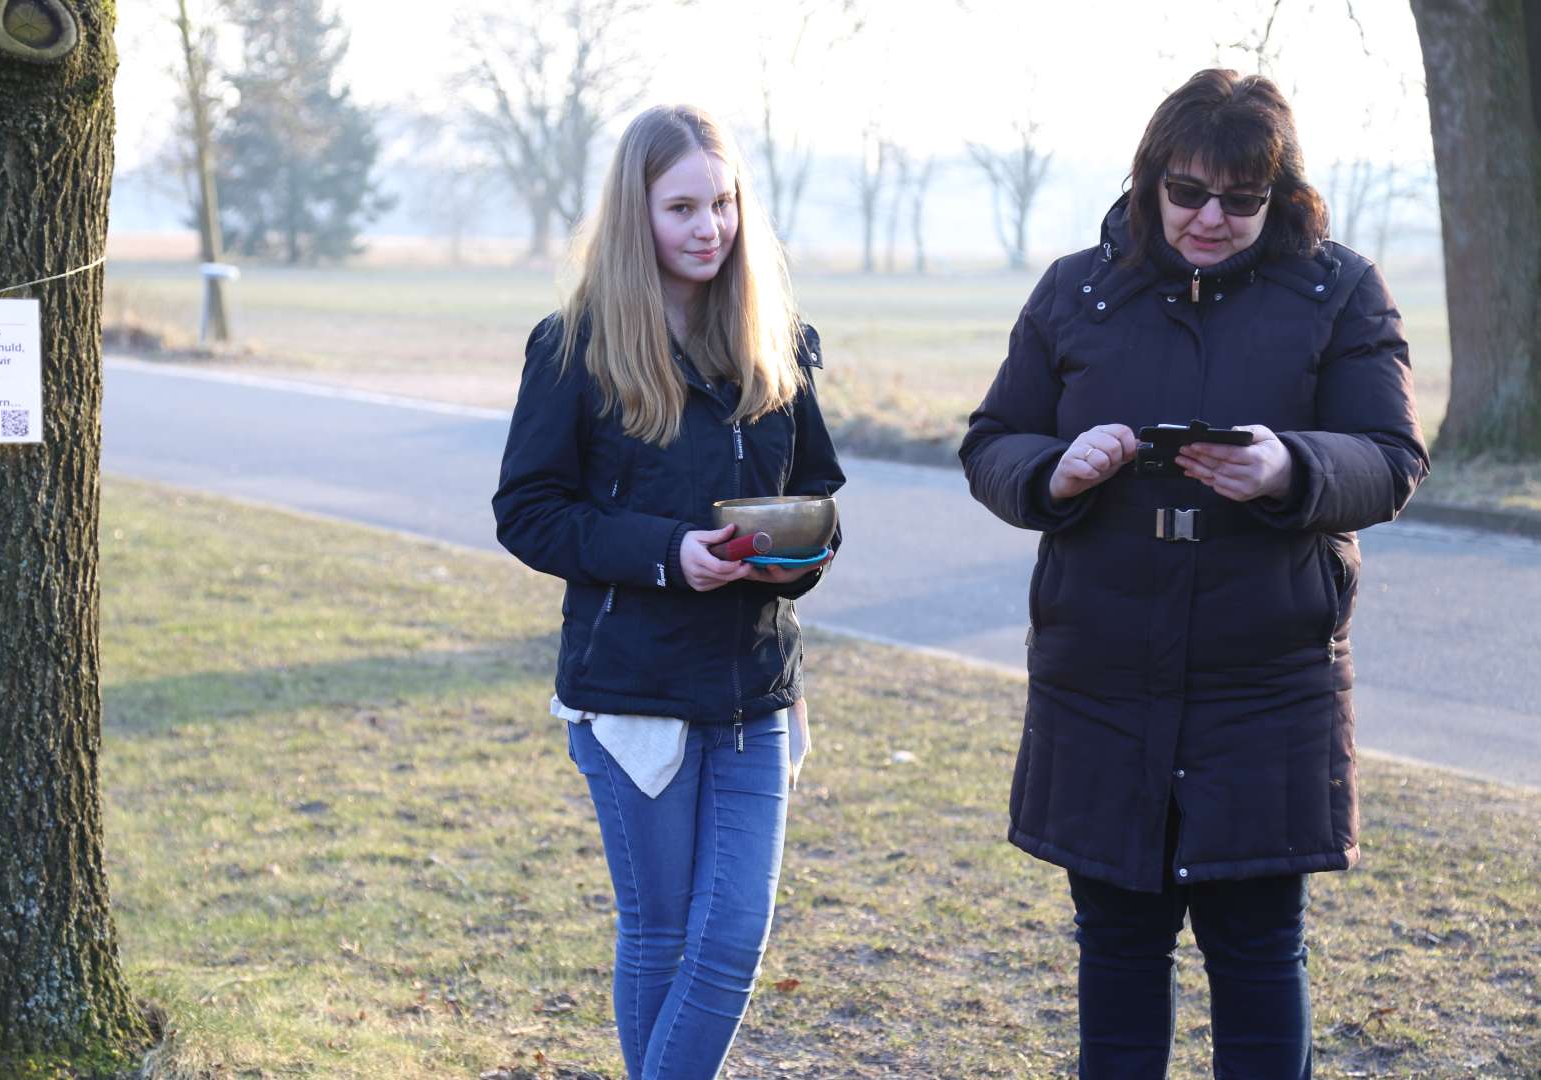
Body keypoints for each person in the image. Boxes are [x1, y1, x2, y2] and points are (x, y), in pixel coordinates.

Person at [960, 69, 1429, 1077]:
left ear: (1283, 196)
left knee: (1258, 951)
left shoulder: (1339, 291)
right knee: (1118, 951)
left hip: (1265, 684)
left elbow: (1390, 461)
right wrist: (1056, 470)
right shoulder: (1075, 291)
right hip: (1104, 678)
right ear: (1148, 181)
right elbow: (993, 441)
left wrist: (1290, 466)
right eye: (1187, 192)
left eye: (1242, 199)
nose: (1210, 218)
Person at [492, 104, 844, 1080]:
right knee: (660, 937)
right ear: (635, 213)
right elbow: (530, 512)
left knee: (730, 944)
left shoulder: (780, 341)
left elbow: (817, 493)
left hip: (756, 689)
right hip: (633, 695)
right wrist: (667, 554)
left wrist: (796, 551)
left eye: (723, 202)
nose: (708, 227)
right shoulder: (573, 348)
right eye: (682, 205)